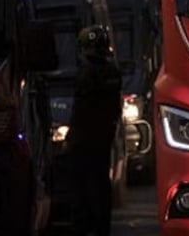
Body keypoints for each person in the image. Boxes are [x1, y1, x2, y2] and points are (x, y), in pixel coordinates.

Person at [66, 24, 122, 236]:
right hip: (103, 137)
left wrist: (71, 137)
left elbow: (80, 109)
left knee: (80, 187)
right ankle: (100, 227)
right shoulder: (113, 72)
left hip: (83, 139)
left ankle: (83, 227)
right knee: (100, 184)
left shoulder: (86, 74)